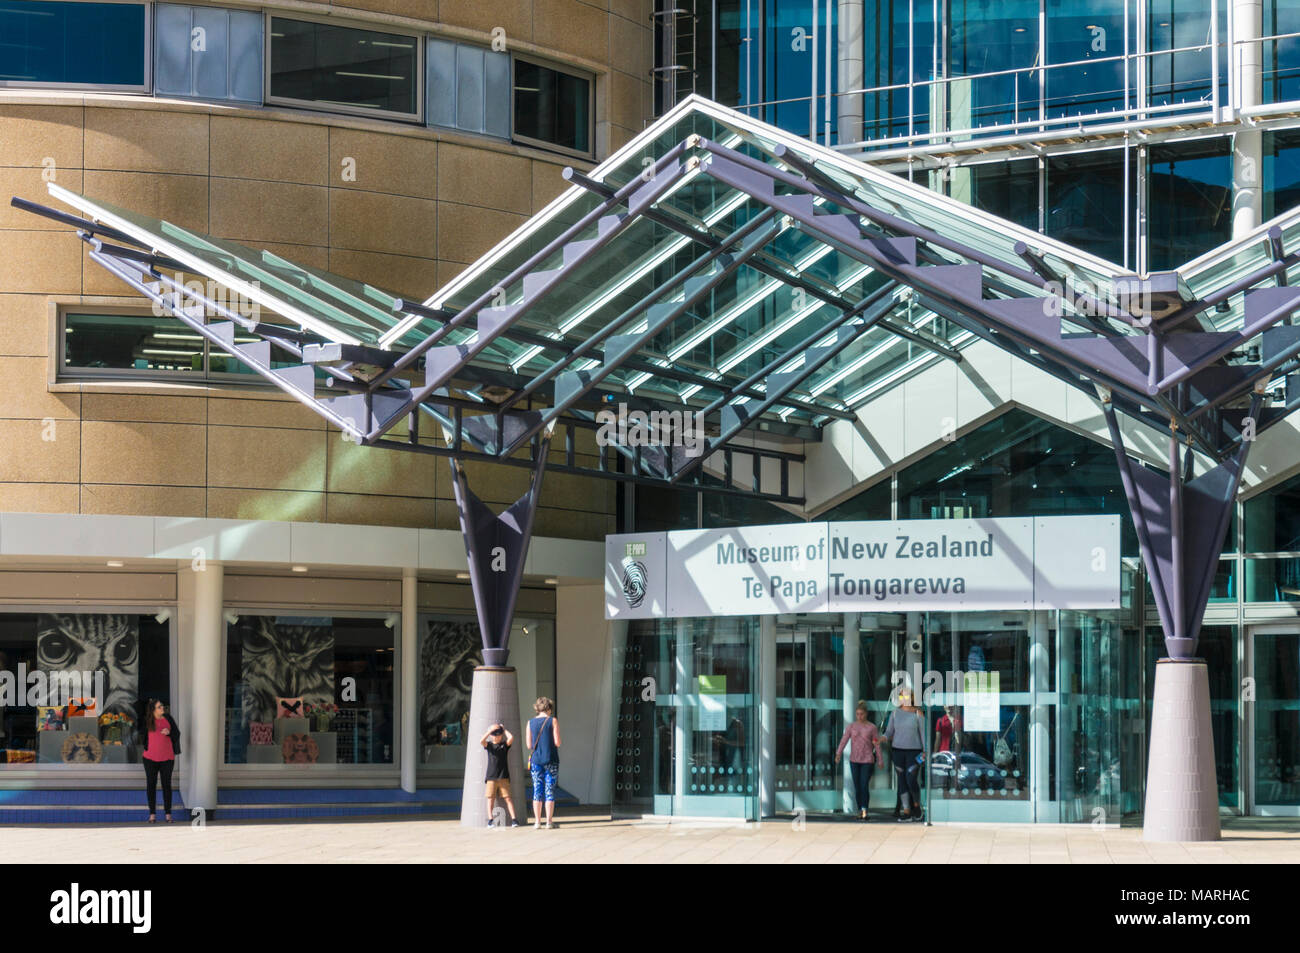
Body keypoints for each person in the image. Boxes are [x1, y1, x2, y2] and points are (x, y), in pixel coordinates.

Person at [833, 701, 881, 820]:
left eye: (862, 714)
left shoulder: (872, 727)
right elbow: (844, 740)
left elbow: (876, 744)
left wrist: (880, 759)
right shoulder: (851, 726)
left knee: (864, 785)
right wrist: (838, 753)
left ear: (866, 714)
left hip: (867, 759)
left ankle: (864, 809)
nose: (859, 716)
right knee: (857, 786)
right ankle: (860, 809)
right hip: (854, 760)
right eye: (857, 714)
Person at [883, 689, 925, 822]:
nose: (903, 697)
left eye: (906, 695)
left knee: (910, 779)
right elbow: (889, 732)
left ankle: (917, 806)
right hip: (898, 751)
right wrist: (881, 739)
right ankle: (906, 811)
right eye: (901, 695)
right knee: (902, 781)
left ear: (911, 697)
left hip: (915, 752)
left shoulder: (918, 713)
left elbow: (923, 734)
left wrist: (926, 750)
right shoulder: (895, 713)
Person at [140, 699, 180, 823]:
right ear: (153, 710)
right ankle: (152, 814)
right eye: (159, 707)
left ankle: (168, 814)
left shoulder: (168, 718)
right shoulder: (147, 721)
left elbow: (177, 734)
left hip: (167, 758)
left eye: (162, 706)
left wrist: (169, 733)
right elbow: (143, 736)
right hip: (150, 759)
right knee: (151, 785)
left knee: (166, 785)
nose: (162, 708)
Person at [526, 696, 561, 829]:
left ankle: (537, 822)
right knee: (549, 791)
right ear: (549, 708)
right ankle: (549, 822)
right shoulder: (553, 721)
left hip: (536, 761)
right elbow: (557, 742)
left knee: (537, 790)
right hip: (551, 759)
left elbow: (529, 745)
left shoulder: (530, 723)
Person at [480, 722, 517, 827]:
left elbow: (511, 738)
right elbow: (481, 741)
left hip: (503, 777)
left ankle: (514, 819)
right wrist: (489, 731)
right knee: (490, 799)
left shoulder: (504, 745)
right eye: (494, 734)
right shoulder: (489, 745)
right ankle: (490, 820)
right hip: (491, 777)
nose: (497, 736)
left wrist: (503, 729)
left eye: (499, 734)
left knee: (508, 798)